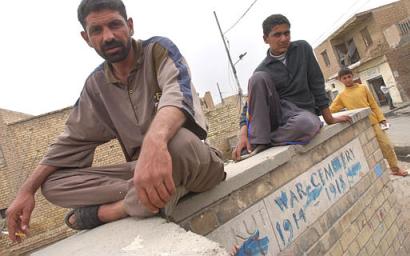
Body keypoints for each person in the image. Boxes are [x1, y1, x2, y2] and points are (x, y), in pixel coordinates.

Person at [6, 0, 225, 242]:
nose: (108, 36)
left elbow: (177, 95)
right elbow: (69, 142)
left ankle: (111, 211)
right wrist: (27, 191)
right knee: (52, 184)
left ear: (130, 26)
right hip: (139, 172)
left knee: (179, 142)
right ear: (86, 38)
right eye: (96, 31)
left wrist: (156, 142)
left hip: (190, 160)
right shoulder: (96, 86)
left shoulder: (158, 51)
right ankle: (149, 196)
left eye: (114, 25)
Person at [232, 14, 351, 161]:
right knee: (257, 78)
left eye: (286, 33)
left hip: (302, 116)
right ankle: (257, 141)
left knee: (307, 124)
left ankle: (266, 141)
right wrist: (243, 135)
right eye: (277, 35)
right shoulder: (263, 69)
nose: (283, 38)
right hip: (279, 114)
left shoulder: (302, 49)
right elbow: (249, 106)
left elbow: (317, 83)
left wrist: (329, 118)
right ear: (265, 39)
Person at [330, 67, 408, 177]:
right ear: (340, 80)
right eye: (344, 78)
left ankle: (395, 169)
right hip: (359, 126)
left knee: (387, 145)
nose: (347, 79)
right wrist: (339, 117)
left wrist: (382, 119)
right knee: (368, 149)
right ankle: (377, 173)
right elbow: (330, 111)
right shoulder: (341, 96)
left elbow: (373, 104)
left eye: (349, 77)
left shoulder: (363, 88)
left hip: (374, 121)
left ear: (352, 76)